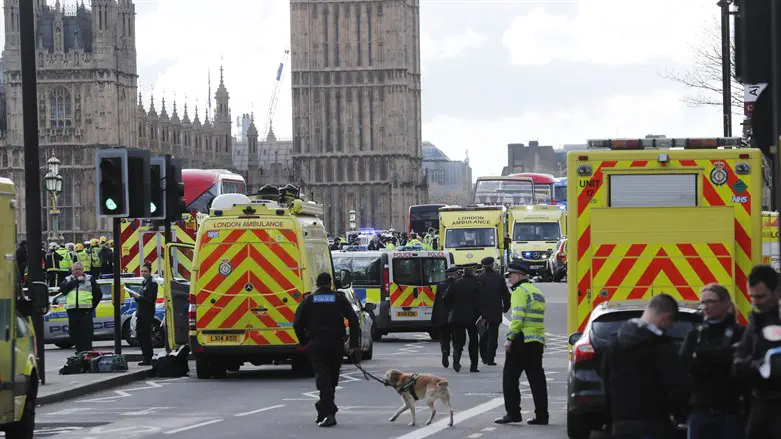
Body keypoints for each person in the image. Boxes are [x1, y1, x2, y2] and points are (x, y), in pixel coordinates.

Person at [598, 294, 688, 439]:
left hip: (620, 424)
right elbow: (675, 385)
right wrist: (678, 415)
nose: (669, 328)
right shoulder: (661, 345)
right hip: (653, 424)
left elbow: (606, 384)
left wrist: (610, 420)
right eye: (671, 323)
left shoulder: (614, 343)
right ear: (666, 317)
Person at [293, 272, 360, 428]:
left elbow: (297, 324)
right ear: (330, 284)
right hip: (336, 343)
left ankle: (325, 411)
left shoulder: (309, 300)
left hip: (316, 344)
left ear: (317, 284)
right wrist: (353, 344)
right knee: (331, 379)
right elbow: (353, 320)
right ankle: (327, 411)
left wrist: (305, 343)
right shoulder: (339, 299)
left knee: (323, 378)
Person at [679, 283, 746, 439]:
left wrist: (703, 356)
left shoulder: (740, 333)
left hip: (731, 412)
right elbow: (683, 367)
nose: (705, 306)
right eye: (703, 302)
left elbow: (740, 368)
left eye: (710, 301)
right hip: (700, 411)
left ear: (725, 303)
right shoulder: (695, 334)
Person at [495, 261, 549, 425]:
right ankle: (542, 416)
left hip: (521, 339)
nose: (509, 279)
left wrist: (510, 338)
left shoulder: (519, 292)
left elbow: (518, 318)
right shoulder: (536, 292)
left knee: (510, 377)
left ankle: (513, 413)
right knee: (537, 380)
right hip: (536, 340)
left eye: (510, 276)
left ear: (519, 276)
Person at [734, 265, 781, 439]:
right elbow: (738, 362)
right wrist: (760, 366)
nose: (755, 302)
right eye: (752, 296)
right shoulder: (756, 322)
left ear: (777, 292)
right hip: (760, 405)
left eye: (761, 296)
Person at [444, 263, 481, 373]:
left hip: (457, 316)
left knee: (458, 340)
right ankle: (473, 366)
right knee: (473, 341)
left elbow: (445, 298)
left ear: (463, 271)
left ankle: (456, 359)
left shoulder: (456, 283)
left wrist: (452, 308)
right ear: (473, 271)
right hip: (473, 317)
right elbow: (482, 301)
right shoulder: (477, 283)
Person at [58, 262, 102, 353]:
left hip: (85, 311)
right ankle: (79, 352)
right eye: (75, 269)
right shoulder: (67, 279)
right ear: (72, 271)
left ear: (83, 270)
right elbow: (63, 290)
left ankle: (87, 352)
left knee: (86, 334)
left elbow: (98, 294)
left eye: (79, 269)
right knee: (73, 333)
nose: (77, 271)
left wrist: (92, 306)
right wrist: (77, 281)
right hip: (72, 311)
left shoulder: (90, 279)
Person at [477, 256, 511, 366]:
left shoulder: (479, 278)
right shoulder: (498, 277)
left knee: (483, 334)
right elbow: (506, 294)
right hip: (495, 310)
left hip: (481, 311)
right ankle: (490, 358)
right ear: (492, 265)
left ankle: (484, 357)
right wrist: (506, 307)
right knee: (493, 335)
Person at [129, 261, 158, 366]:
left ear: (150, 272)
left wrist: (139, 297)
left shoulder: (152, 283)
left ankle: (148, 358)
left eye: (145, 271)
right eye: (142, 271)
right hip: (141, 313)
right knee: (141, 336)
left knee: (145, 337)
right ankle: (146, 357)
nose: (143, 273)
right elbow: (142, 300)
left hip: (147, 314)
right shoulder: (144, 282)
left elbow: (150, 300)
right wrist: (135, 297)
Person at [432, 266, 458, 368]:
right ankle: (456, 356)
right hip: (455, 316)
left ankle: (444, 351)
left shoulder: (441, 285)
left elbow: (436, 303)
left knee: (444, 337)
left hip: (442, 316)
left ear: (447, 275)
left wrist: (434, 318)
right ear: (455, 274)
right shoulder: (458, 284)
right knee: (456, 338)